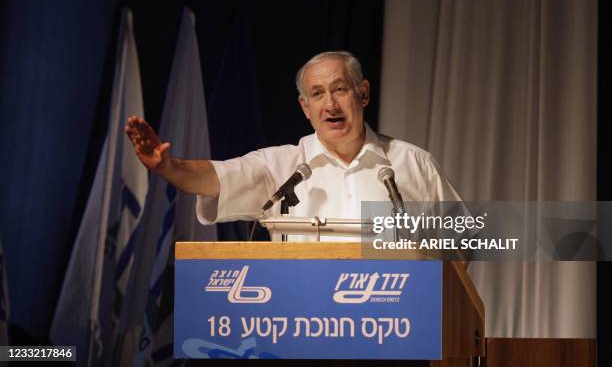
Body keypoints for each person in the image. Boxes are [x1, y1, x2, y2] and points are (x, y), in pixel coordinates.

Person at [125, 51, 460, 241]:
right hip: (305, 333)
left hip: (396, 338)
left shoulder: (412, 163)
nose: (330, 105)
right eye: (318, 94)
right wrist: (169, 167)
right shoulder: (283, 168)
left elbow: (460, 243)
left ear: (363, 94)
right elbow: (217, 177)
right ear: (305, 108)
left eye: (340, 89)